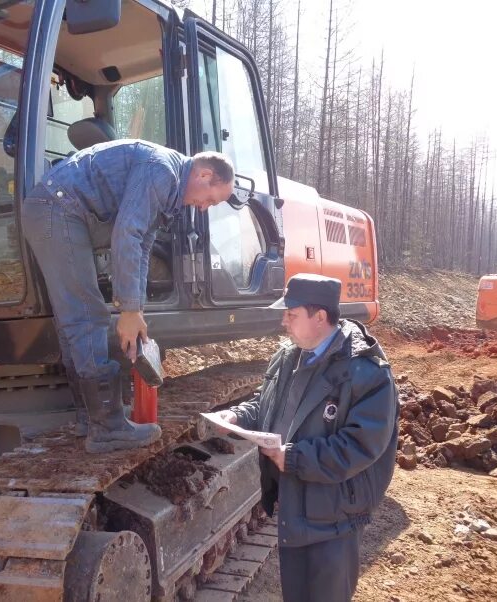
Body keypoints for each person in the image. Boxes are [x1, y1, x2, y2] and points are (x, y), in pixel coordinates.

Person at [20, 139, 235, 453]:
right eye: (211, 200)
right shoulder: (162, 171)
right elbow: (127, 234)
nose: (204, 207)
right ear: (204, 175)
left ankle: (88, 418)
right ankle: (107, 428)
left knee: (75, 318)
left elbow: (142, 247)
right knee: (86, 314)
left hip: (60, 209)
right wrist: (128, 311)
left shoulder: (169, 189)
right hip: (58, 208)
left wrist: (137, 312)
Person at [215, 273, 399, 602]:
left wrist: (295, 457)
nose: (283, 321)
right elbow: (266, 402)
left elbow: (360, 446)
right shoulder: (288, 358)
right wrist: (239, 415)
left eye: (292, 313)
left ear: (320, 317)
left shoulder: (368, 374)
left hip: (335, 519)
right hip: (293, 508)